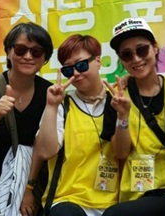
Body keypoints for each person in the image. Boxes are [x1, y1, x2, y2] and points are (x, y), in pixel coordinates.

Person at [101, 18, 165, 216]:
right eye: (126, 54)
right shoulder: (117, 96)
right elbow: (121, 153)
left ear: (155, 48)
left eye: (141, 50)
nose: (136, 59)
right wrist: (123, 115)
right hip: (135, 195)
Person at [0, 22, 53, 216]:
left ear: (45, 58)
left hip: (27, 177)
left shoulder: (48, 93)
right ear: (8, 52)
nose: (28, 56)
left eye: (36, 52)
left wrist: (28, 188)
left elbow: (44, 149)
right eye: (21, 49)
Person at [35, 34, 118, 216]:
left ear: (98, 61)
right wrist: (51, 106)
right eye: (68, 70)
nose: (75, 73)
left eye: (81, 65)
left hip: (116, 203)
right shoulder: (63, 105)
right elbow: (45, 152)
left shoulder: (118, 100)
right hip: (69, 200)